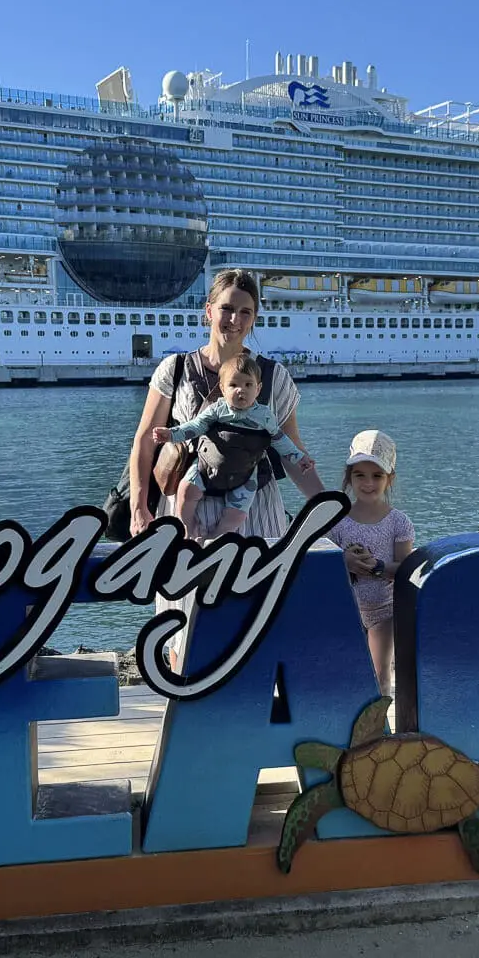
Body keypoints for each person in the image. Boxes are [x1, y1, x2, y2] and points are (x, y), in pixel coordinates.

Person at [126, 268, 335, 667]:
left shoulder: (273, 378)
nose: (234, 320)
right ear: (208, 311)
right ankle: (183, 705)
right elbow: (143, 440)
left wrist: (331, 512)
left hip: (254, 508)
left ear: (255, 317)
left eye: (245, 311)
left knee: (255, 619)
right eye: (226, 309)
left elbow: (294, 456)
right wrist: (140, 505)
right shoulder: (175, 369)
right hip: (188, 505)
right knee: (181, 622)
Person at [150, 353, 314, 539]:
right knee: (186, 492)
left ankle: (217, 537)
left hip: (245, 472)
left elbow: (280, 439)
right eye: (233, 385)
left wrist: (299, 458)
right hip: (206, 466)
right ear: (222, 388)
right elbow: (195, 427)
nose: (240, 390)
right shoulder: (217, 409)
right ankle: (189, 528)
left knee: (236, 514)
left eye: (248, 385)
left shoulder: (264, 416)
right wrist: (171, 434)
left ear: (258, 389)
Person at [327, 429, 414, 698]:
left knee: (379, 674)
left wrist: (376, 566)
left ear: (390, 479)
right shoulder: (337, 520)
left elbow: (405, 569)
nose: (368, 483)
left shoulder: (399, 522)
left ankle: (380, 731)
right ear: (349, 477)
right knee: (344, 672)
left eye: (377, 476)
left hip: (383, 610)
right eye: (360, 475)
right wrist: (345, 561)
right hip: (345, 608)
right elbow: (323, 565)